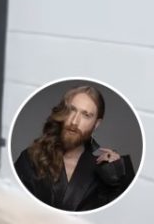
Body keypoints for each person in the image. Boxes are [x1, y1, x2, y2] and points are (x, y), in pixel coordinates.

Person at [14, 84, 136, 213]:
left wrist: (120, 176)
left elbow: (119, 220)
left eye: (86, 115)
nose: (74, 121)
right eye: (71, 110)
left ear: (96, 124)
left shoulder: (105, 168)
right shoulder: (32, 157)